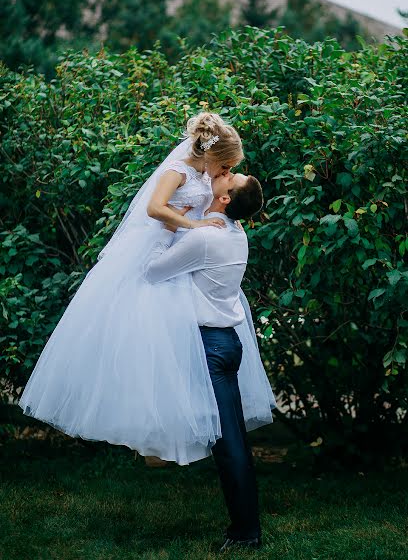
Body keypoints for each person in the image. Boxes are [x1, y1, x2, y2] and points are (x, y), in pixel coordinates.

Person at [18, 112, 275, 467]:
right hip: (161, 245)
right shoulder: (181, 169)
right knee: (150, 347)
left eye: (230, 169)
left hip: (182, 253)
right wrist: (193, 223)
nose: (227, 171)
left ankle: (168, 439)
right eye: (228, 165)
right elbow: (155, 208)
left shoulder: (206, 174)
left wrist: (198, 227)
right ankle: (154, 441)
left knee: (175, 354)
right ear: (215, 156)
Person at [144, 172, 276, 552]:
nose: (225, 175)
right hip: (227, 344)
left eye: (231, 177)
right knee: (231, 438)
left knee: (229, 442)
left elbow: (154, 271)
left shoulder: (206, 237)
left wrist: (167, 228)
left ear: (226, 201)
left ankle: (246, 533)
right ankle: (245, 526)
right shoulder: (236, 234)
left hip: (210, 347)